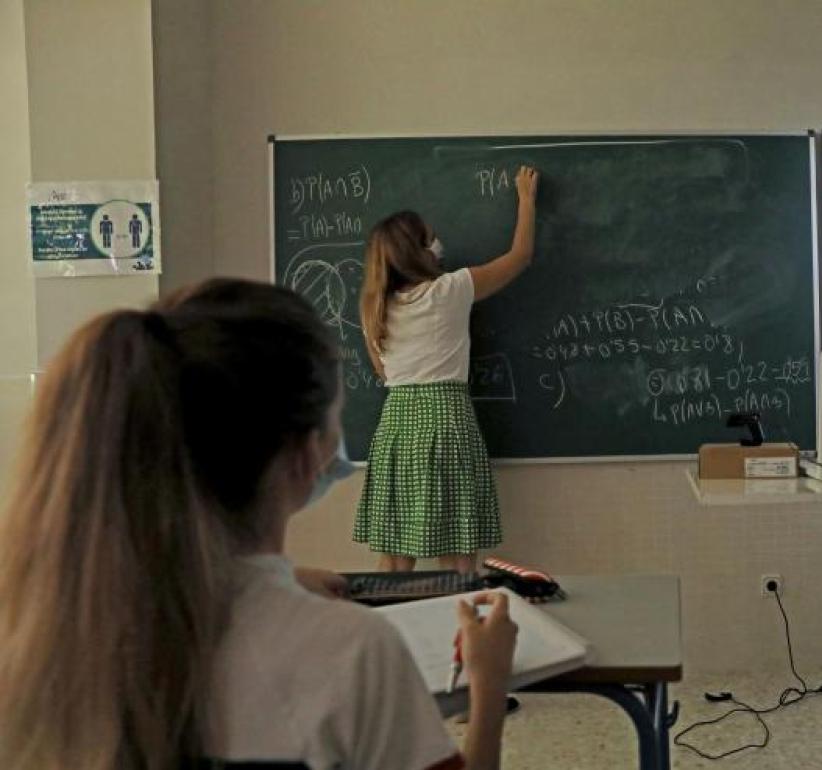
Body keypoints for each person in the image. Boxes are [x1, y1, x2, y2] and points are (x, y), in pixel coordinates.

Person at [0, 279, 517, 770]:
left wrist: (271, 583)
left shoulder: (47, 632)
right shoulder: (354, 651)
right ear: (302, 453)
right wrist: (488, 687)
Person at [354, 165, 539, 574]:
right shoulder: (449, 290)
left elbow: (384, 374)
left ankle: (394, 634)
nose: (439, 244)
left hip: (397, 427)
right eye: (430, 237)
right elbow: (520, 257)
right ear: (418, 250)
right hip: (446, 420)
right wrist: (526, 200)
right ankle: (462, 633)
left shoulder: (374, 308)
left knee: (395, 557)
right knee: (457, 557)